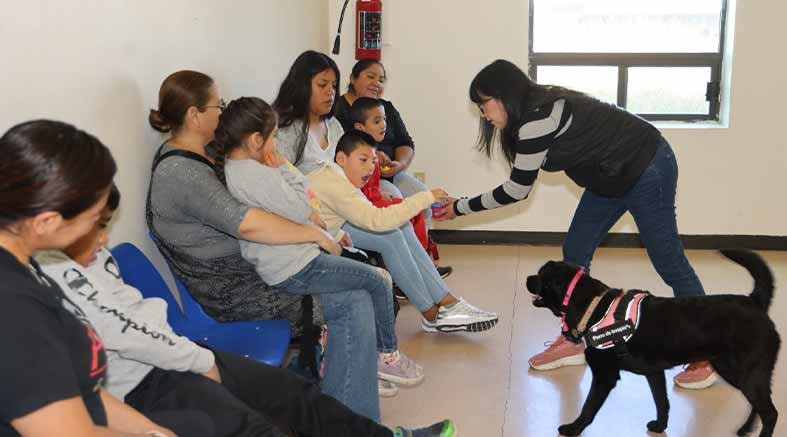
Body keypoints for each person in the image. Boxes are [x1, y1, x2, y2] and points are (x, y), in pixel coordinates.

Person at [37, 184, 456, 437]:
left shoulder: (88, 253)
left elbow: (138, 314)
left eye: (106, 221)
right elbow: (125, 330)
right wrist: (199, 361)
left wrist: (190, 355)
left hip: (170, 354)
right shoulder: (51, 271)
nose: (103, 234)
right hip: (143, 381)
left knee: (293, 393)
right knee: (255, 428)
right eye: (97, 222)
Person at [435, 59, 714, 388]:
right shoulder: (531, 115)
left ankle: (707, 349)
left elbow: (517, 191)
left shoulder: (536, 119)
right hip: (609, 175)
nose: (483, 114)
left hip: (646, 165)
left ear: (504, 95)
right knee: (576, 250)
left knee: (666, 257)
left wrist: (459, 207)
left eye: (484, 104)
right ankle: (573, 338)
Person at [215, 97, 426, 417]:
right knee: (378, 279)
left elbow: (304, 200)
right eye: (273, 138)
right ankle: (387, 355)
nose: (277, 145)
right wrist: (285, 171)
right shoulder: (254, 173)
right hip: (294, 265)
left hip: (297, 256)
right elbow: (304, 207)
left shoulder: (251, 166)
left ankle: (357, 387)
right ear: (256, 141)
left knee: (359, 292)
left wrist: (286, 174)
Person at [0, 119, 186, 437]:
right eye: (94, 219)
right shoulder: (14, 309)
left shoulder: (24, 265)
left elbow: (76, 393)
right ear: (46, 221)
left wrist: (152, 432)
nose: (100, 237)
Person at [147, 70, 338, 335]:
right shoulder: (181, 173)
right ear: (194, 115)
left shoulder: (206, 152)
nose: (223, 112)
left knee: (349, 273)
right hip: (232, 290)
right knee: (347, 295)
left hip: (252, 264)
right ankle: (341, 368)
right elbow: (248, 224)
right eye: (219, 105)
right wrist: (314, 233)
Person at [309, 130, 499, 334]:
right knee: (390, 235)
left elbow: (322, 213)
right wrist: (424, 198)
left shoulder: (336, 176)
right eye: (363, 159)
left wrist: (336, 234)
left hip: (326, 232)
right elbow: (377, 220)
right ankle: (433, 314)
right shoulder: (337, 185)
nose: (369, 167)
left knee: (402, 227)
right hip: (308, 243)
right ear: (341, 158)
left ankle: (446, 303)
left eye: (373, 161)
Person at [334, 59, 452, 278]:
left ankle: (423, 263)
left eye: (381, 79)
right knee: (397, 201)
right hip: (366, 176)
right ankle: (400, 272)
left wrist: (400, 164)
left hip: (391, 171)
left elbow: (406, 143)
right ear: (352, 78)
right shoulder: (338, 111)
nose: (376, 83)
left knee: (422, 198)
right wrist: (371, 156)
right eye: (370, 76)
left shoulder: (385, 107)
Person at [274, 50, 345, 177]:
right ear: (302, 86)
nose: (331, 92)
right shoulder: (287, 127)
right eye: (322, 85)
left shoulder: (334, 125)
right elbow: (281, 179)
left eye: (334, 85)